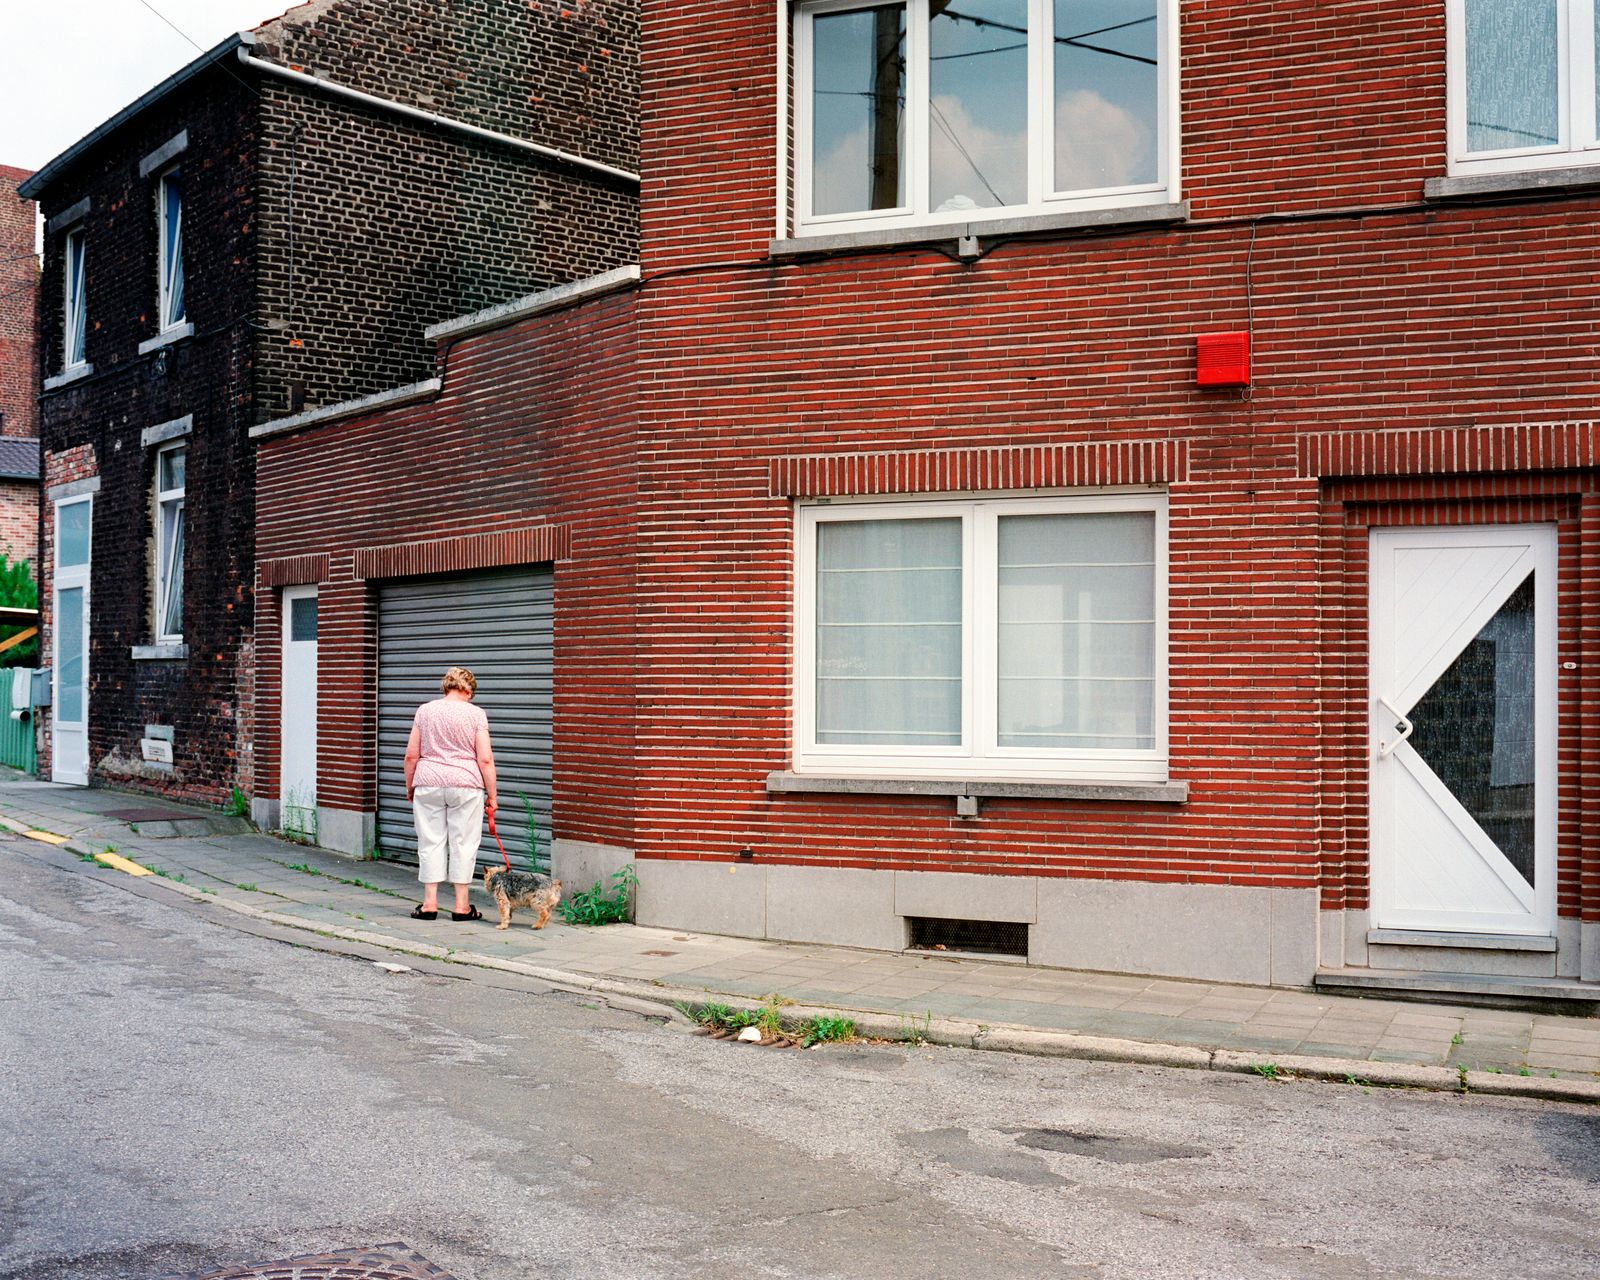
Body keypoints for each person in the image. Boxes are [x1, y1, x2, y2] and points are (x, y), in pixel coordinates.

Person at [404, 665, 498, 921]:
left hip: (429, 782)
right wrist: (492, 795)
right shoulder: (476, 714)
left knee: (430, 841)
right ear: (468, 690)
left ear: (447, 686)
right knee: (463, 843)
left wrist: (410, 786)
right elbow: (485, 759)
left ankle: (429, 905)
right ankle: (461, 907)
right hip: (466, 784)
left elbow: (412, 755)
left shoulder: (425, 711)